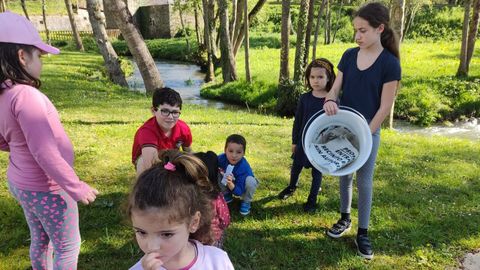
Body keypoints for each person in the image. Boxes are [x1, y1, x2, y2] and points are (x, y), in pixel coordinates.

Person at [0, 11, 99, 269]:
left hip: (21, 182)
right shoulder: (27, 97)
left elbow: (3, 139)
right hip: (48, 188)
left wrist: (17, 145)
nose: (42, 63)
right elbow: (44, 152)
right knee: (68, 246)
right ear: (22, 56)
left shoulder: (5, 94)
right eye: (39, 55)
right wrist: (74, 186)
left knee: (41, 238)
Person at [322, 2, 401, 260]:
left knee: (364, 181)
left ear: (380, 29)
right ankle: (344, 218)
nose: (357, 36)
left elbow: (385, 107)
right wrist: (331, 99)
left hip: (370, 131)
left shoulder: (390, 64)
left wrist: (364, 135)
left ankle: (363, 232)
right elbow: (335, 89)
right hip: (343, 127)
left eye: (363, 30)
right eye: (355, 30)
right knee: (345, 175)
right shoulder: (348, 55)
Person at [127, 150, 234, 270]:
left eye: (166, 234)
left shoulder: (217, 262)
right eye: (141, 232)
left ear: (193, 222)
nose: (152, 247)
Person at [277, 58, 336, 213]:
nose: (316, 81)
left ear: (329, 78)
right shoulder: (305, 98)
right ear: (308, 78)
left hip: (321, 144)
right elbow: (298, 121)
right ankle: (291, 187)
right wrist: (294, 141)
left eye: (320, 77)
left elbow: (337, 123)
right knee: (296, 166)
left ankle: (312, 199)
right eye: (312, 77)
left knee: (317, 172)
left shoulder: (332, 100)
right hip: (303, 141)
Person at [132, 87, 192, 176]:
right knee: (142, 162)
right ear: (153, 111)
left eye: (175, 112)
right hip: (150, 162)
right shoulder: (147, 131)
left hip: (171, 158)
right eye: (165, 111)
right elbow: (150, 165)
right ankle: (145, 188)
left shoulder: (183, 128)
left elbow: (189, 152)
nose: (171, 117)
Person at [194, 151, 230, 249]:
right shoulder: (217, 197)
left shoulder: (186, 195)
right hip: (212, 239)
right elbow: (225, 220)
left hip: (191, 240)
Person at [218, 134, 259, 216]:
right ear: (225, 150)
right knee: (216, 171)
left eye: (239, 152)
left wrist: (231, 184)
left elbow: (239, 192)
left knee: (251, 181)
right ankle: (226, 194)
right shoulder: (221, 158)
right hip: (229, 182)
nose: (234, 155)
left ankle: (246, 202)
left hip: (242, 186)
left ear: (243, 153)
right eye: (230, 151)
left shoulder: (243, 168)